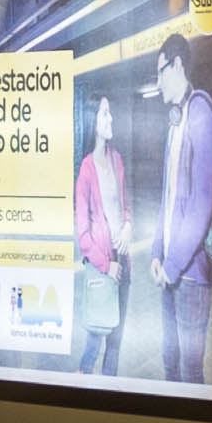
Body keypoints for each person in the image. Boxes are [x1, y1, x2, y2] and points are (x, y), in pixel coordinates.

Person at [140, 47, 212, 394]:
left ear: (177, 65)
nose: (158, 82)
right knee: (169, 360)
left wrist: (172, 265)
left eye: (160, 72)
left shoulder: (201, 112)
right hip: (171, 268)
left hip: (190, 273)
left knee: (190, 371)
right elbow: (169, 195)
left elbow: (203, 201)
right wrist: (157, 253)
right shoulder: (176, 119)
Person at [73, 107, 136, 375]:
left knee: (116, 341)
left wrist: (129, 226)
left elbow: (126, 206)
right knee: (95, 338)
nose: (111, 119)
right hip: (103, 266)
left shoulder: (118, 160)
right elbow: (83, 236)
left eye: (111, 113)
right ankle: (82, 379)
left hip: (123, 262)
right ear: (93, 123)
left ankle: (108, 392)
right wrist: (105, 265)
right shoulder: (86, 170)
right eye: (105, 114)